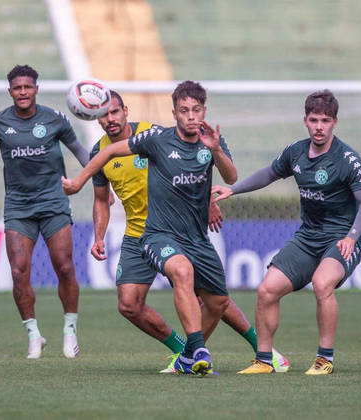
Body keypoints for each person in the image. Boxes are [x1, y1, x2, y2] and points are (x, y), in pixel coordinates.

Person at [89, 90, 288, 373]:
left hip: (177, 228)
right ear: (94, 117)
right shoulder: (99, 152)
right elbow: (100, 199)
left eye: (115, 112)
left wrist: (207, 202)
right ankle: (183, 352)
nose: (110, 119)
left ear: (125, 111)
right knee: (129, 305)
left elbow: (192, 163)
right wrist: (99, 235)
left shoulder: (152, 134)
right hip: (138, 233)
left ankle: (264, 350)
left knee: (210, 297)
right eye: (103, 114)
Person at [62, 80, 238, 376]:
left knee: (219, 302)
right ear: (175, 113)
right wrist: (79, 181)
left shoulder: (212, 142)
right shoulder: (156, 139)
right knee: (177, 274)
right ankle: (200, 349)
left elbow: (231, 178)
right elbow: (106, 155)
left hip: (196, 237)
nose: (191, 116)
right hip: (155, 234)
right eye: (184, 111)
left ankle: (189, 356)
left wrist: (217, 152)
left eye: (196, 110)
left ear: (204, 111)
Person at [211, 89, 361, 375]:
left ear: (335, 122)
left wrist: (351, 236)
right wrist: (233, 189)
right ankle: (265, 360)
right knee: (266, 290)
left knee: (322, 283)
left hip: (340, 237)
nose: (319, 126)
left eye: (325, 120)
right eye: (314, 120)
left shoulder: (348, 160)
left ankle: (324, 359)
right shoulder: (296, 152)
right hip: (308, 236)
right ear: (305, 120)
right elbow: (269, 173)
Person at [0, 65, 89, 359]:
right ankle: (34, 335)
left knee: (64, 266)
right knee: (19, 271)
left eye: (27, 87)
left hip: (53, 202)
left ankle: (70, 329)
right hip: (18, 206)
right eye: (17, 88)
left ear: (36, 89)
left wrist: (99, 182)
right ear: (10, 91)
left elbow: (81, 152)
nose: (23, 92)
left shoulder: (55, 119)